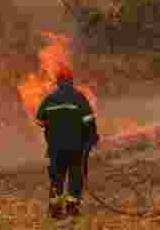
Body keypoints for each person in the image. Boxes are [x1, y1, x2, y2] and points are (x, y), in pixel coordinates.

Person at [35, 64, 99, 219]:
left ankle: (55, 209)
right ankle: (72, 208)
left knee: (56, 178)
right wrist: (92, 138)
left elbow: (40, 121)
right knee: (76, 176)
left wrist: (54, 125)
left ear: (57, 82)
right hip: (76, 147)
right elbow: (89, 121)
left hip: (56, 148)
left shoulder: (49, 99)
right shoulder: (78, 97)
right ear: (71, 80)